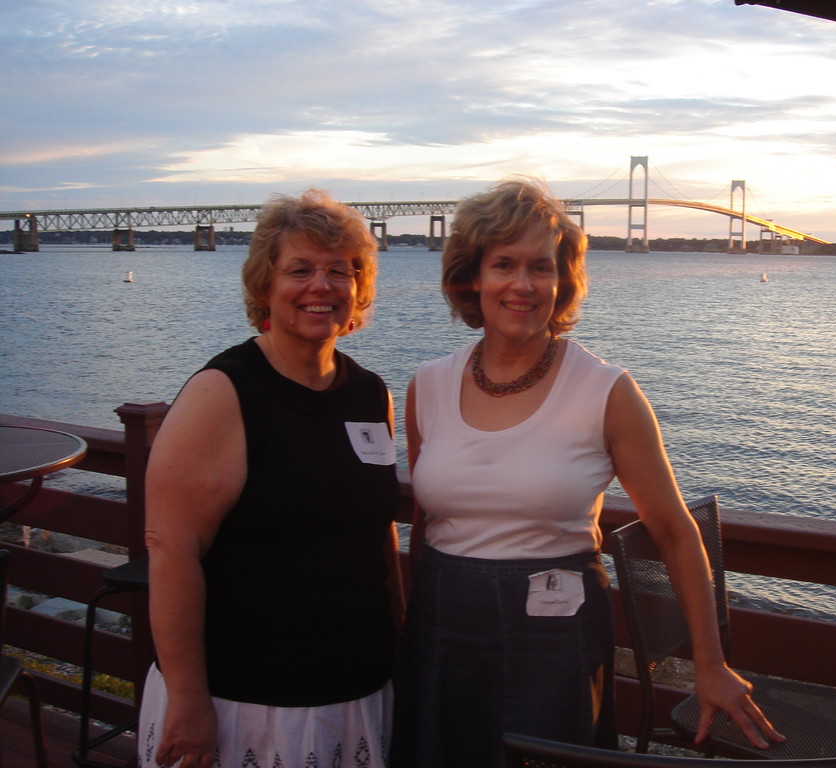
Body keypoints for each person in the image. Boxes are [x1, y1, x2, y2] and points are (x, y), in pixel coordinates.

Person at [392, 178, 785, 767]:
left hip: (556, 636)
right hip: (441, 627)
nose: (523, 286)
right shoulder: (427, 385)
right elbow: (426, 525)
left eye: (541, 268)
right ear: (473, 276)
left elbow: (677, 533)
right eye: (504, 264)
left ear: (563, 279)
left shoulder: (607, 391)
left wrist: (710, 665)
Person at [139, 189, 402, 768]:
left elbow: (375, 531)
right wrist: (187, 700)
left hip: (356, 690)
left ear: (358, 289)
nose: (321, 286)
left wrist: (399, 643)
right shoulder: (224, 392)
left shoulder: (370, 393)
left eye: (340, 270)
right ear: (265, 285)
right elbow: (171, 549)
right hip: (246, 703)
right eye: (300, 269)